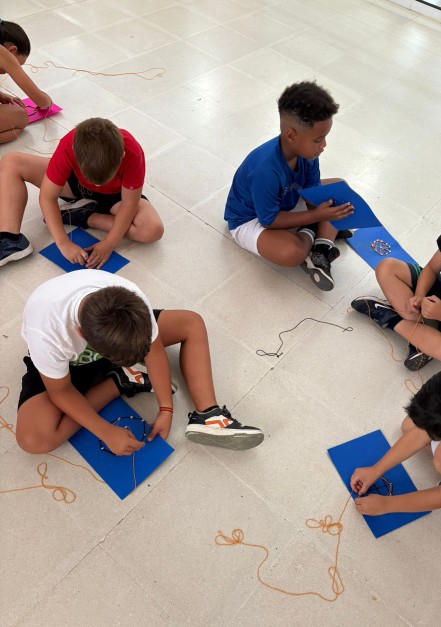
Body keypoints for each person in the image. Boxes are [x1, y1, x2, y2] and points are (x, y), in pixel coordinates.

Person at [16, 271, 264, 456]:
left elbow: (154, 351)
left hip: (115, 332)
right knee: (34, 440)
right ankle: (119, 381)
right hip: (71, 366)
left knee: (191, 322)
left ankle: (208, 415)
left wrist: (166, 408)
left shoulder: (130, 297)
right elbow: (61, 391)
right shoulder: (47, 334)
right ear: (81, 334)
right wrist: (105, 431)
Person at [350, 185, 441, 370]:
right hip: (437, 292)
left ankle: (390, 318)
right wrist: (419, 295)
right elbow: (431, 269)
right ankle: (426, 340)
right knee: (386, 267)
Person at [224, 81, 354, 291]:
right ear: (292, 135)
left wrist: (326, 205)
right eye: (318, 140)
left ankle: (320, 250)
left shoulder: (309, 154)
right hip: (252, 219)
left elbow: (311, 192)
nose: (324, 145)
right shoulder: (265, 170)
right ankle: (313, 230)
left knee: (339, 187)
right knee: (292, 253)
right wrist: (317, 216)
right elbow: (268, 220)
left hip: (288, 199)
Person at [0, 117, 163, 268]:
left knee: (152, 230)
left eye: (103, 180)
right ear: (75, 152)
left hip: (116, 197)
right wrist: (63, 242)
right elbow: (48, 197)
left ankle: (84, 215)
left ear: (122, 156)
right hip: (75, 186)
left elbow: (129, 204)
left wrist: (110, 242)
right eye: (93, 179)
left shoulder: (133, 152)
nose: (97, 185)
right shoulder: (69, 144)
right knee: (10, 161)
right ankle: (10, 239)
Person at [351, 367, 441, 524]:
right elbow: (421, 432)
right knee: (410, 425)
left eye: (440, 437)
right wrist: (376, 469)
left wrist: (385, 505)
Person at [0, 19, 52, 144]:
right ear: (11, 50)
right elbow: (41, 101)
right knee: (21, 117)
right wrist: (48, 101)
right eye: (17, 64)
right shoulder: (3, 53)